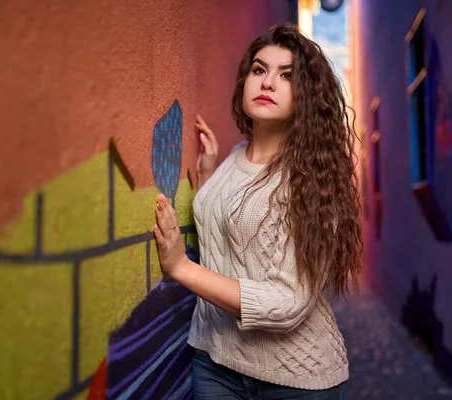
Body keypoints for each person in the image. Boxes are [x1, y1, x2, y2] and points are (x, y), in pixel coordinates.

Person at [153, 22, 362, 399]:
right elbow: (232, 234)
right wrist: (207, 182)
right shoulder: (235, 157)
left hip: (296, 381)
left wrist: (181, 268)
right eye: (259, 69)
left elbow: (286, 304)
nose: (267, 83)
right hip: (215, 361)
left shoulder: (311, 180)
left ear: (307, 96)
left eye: (287, 75)